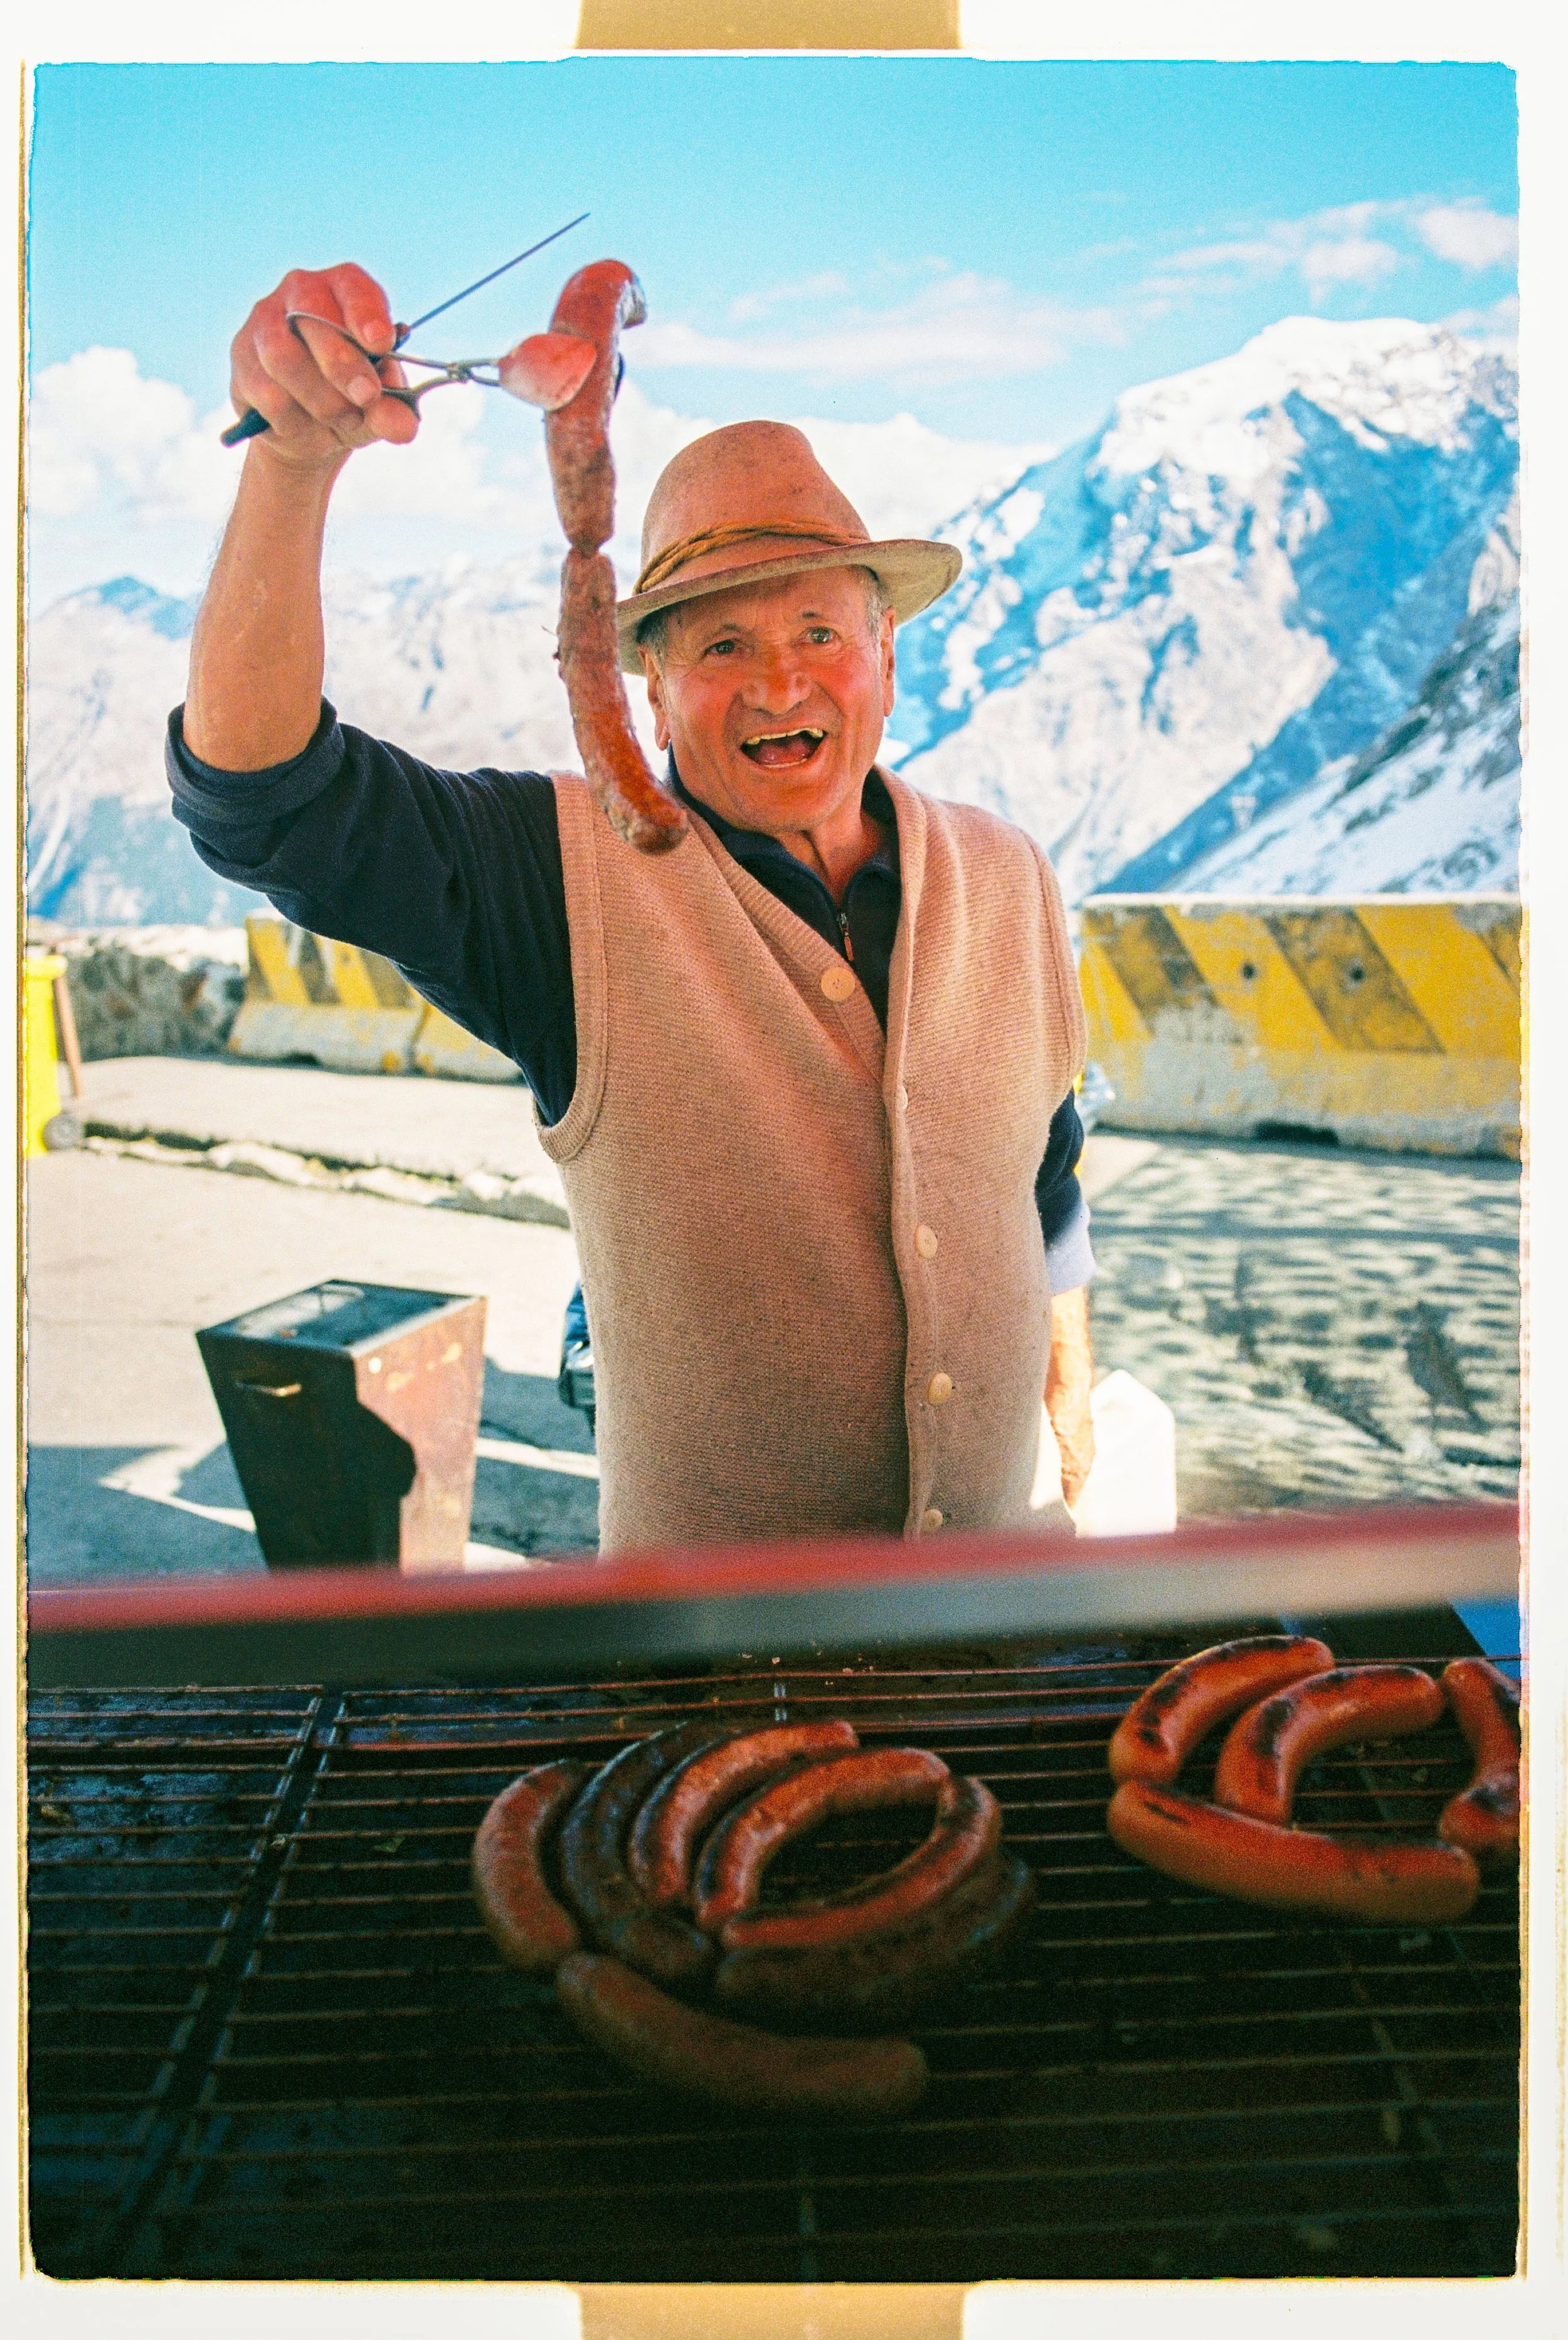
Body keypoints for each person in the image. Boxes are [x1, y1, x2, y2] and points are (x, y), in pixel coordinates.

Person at [167, 262, 1098, 1553]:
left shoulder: (1009, 873)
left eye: (820, 631)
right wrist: (290, 468)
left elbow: (1042, 1156)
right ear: (649, 691)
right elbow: (265, 799)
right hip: (704, 1650)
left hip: (1005, 1603)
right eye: (719, 645)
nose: (779, 683)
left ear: (886, 654)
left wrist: (1067, 1364)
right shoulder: (560, 878)